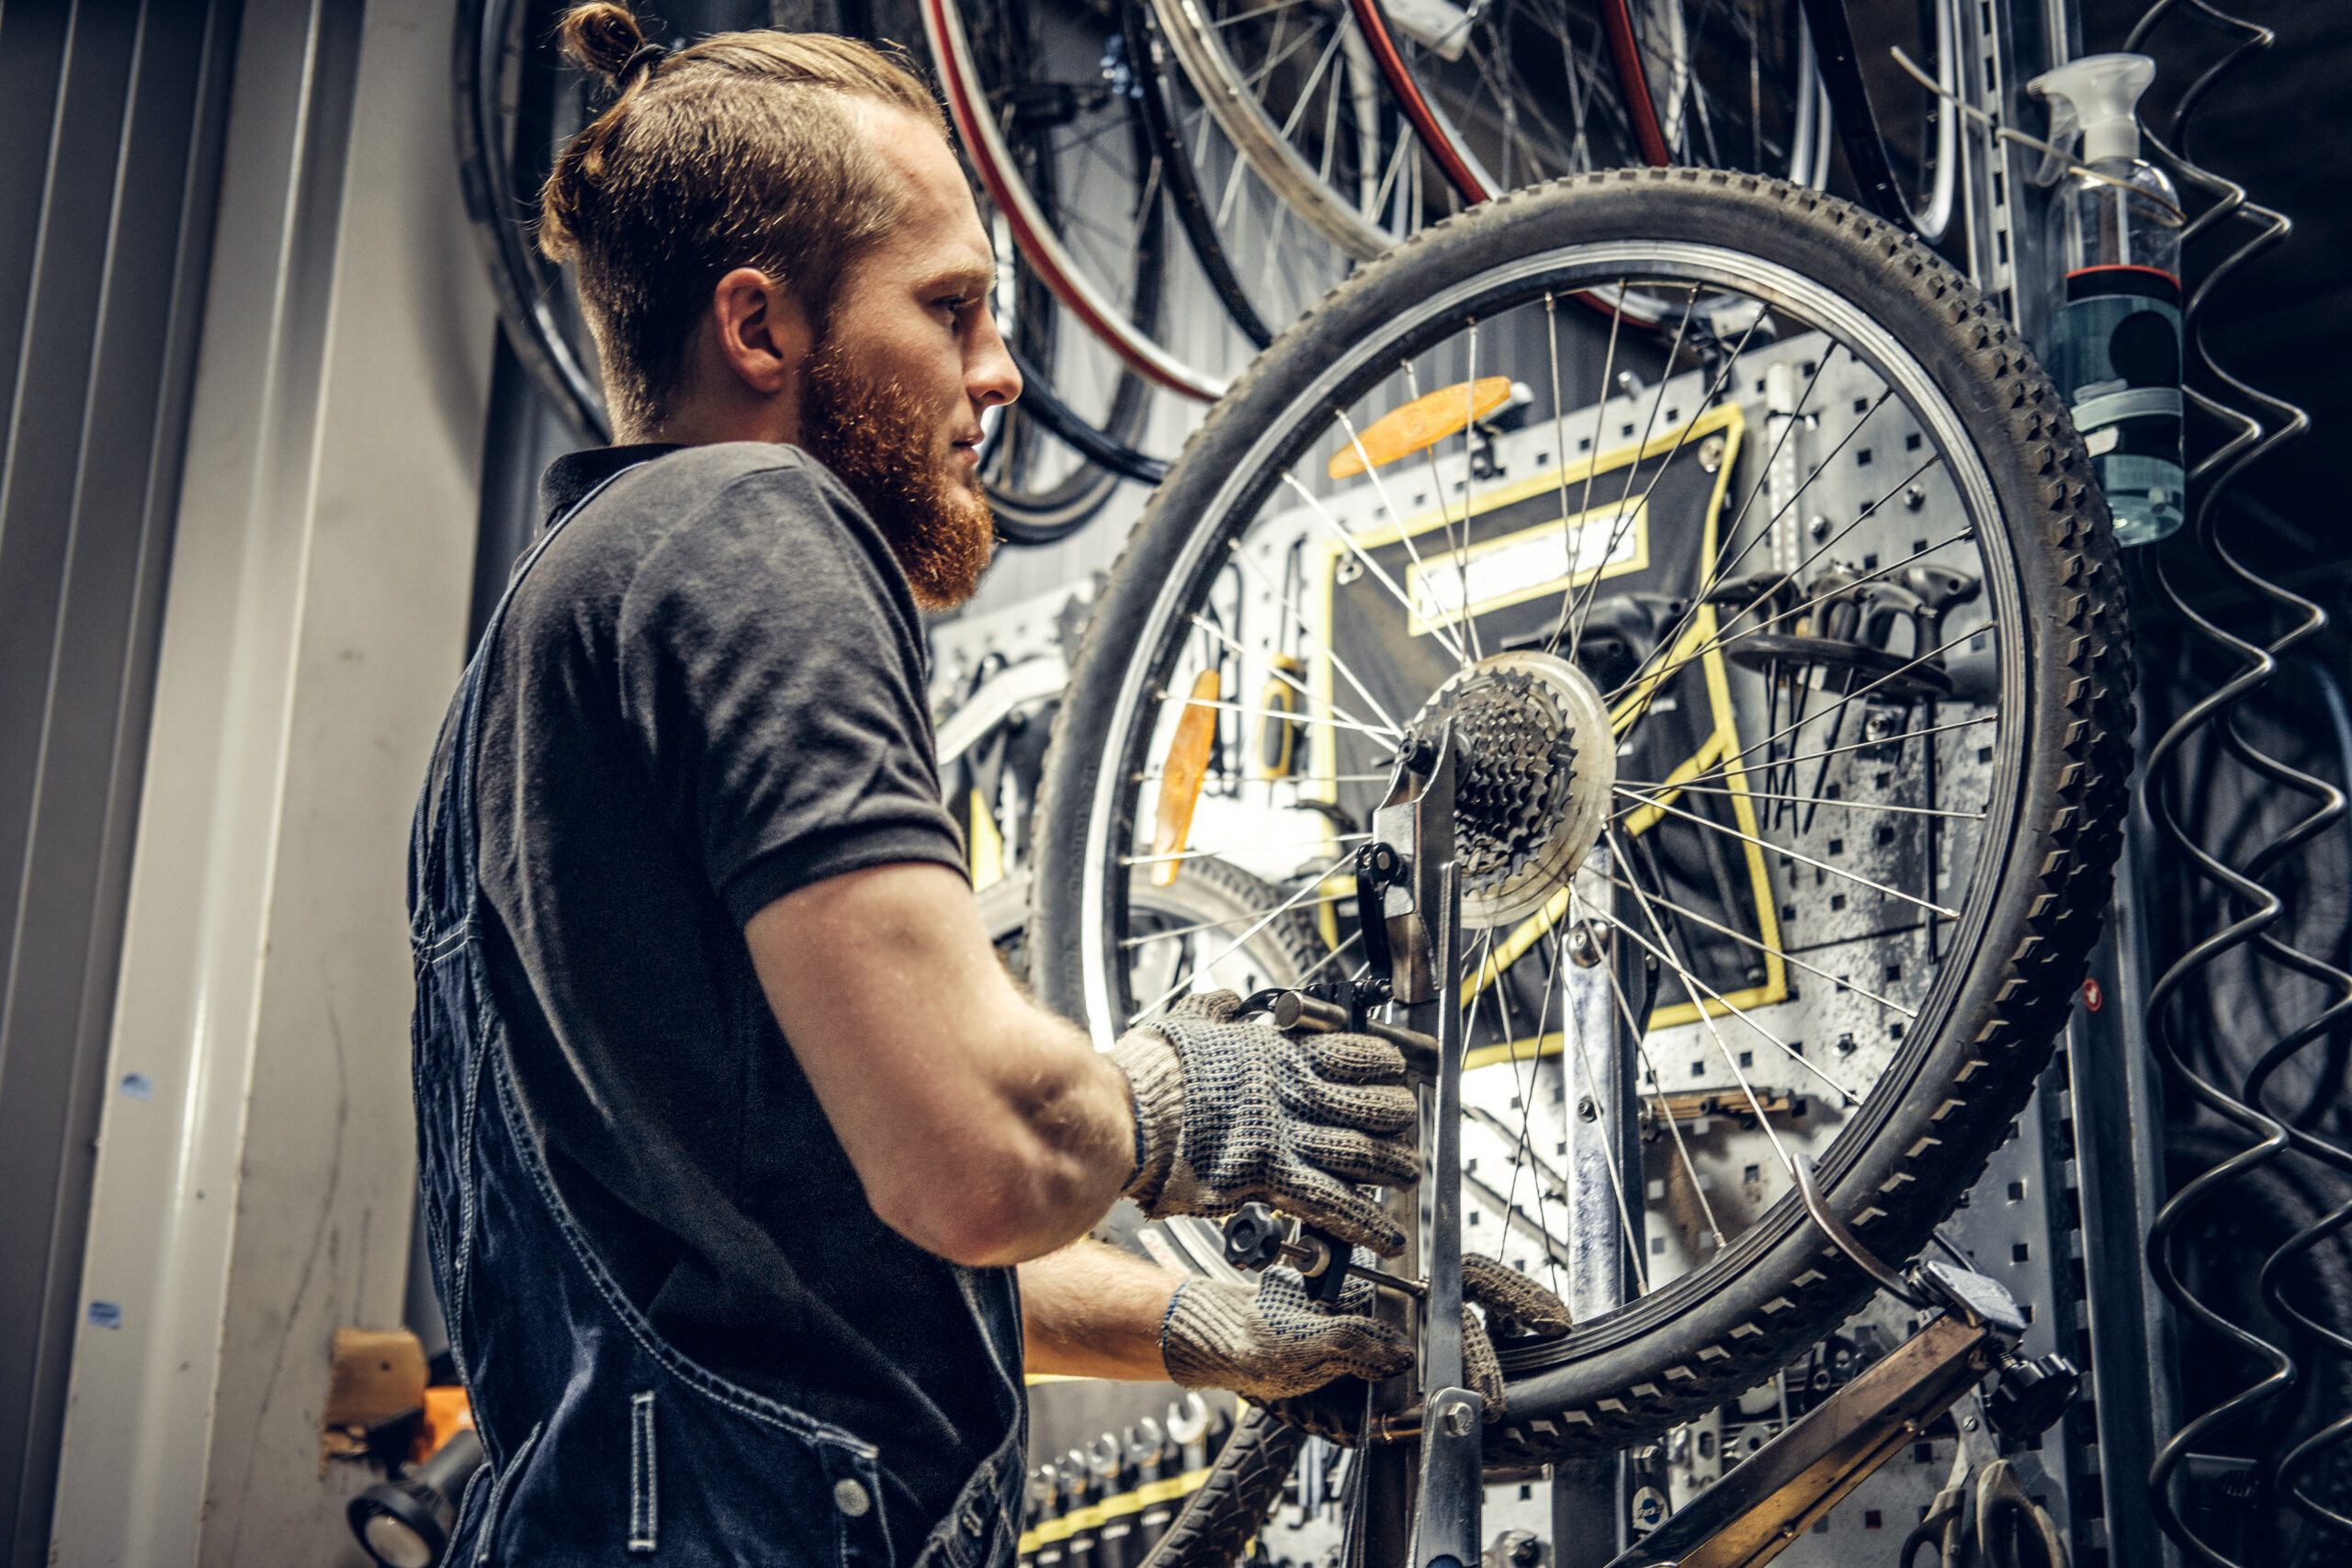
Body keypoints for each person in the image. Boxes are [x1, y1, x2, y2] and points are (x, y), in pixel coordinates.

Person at [407, 7, 1566, 1564]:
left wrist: (1208, 1327)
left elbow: (834, 1249)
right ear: (759, 330)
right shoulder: (749, 523)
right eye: (950, 308)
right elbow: (978, 1154)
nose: (1001, 371)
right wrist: (1188, 1096)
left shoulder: (530, 666)